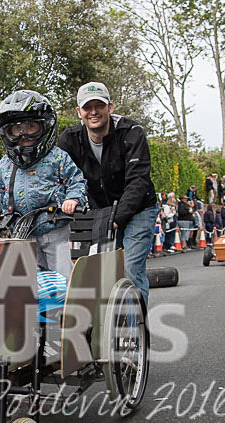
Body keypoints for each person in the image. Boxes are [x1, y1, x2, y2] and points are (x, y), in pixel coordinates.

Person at [57, 82, 159, 303]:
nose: (93, 112)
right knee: (97, 268)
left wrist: (117, 218)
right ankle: (102, 322)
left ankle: (133, 329)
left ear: (110, 107)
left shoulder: (131, 133)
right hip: (100, 210)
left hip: (139, 209)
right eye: (87, 107)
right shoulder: (70, 139)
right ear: (79, 112)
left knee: (131, 267)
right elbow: (59, 177)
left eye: (99, 105)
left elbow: (138, 182)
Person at [0, 90, 87, 279]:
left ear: (44, 126)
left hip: (53, 227)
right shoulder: (6, 163)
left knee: (61, 277)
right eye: (16, 129)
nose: (23, 134)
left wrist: (72, 198)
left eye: (30, 126)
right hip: (21, 232)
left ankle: (63, 308)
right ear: (7, 132)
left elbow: (76, 180)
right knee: (26, 279)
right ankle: (31, 309)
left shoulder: (57, 157)